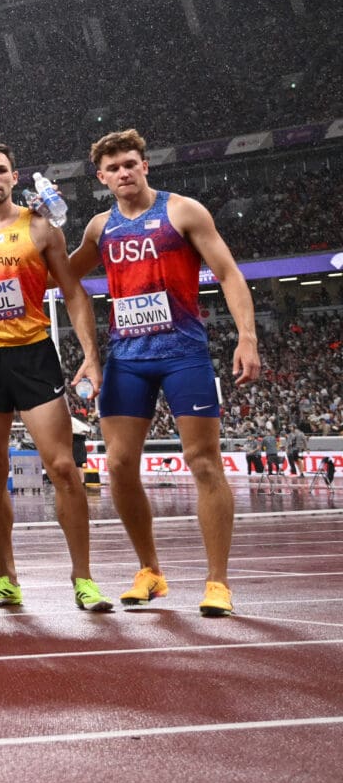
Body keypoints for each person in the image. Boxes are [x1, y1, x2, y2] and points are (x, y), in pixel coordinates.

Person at [69, 129, 258, 617]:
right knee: (117, 466)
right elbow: (60, 275)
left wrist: (247, 336)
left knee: (202, 461)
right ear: (101, 178)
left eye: (130, 163)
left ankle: (217, 582)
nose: (123, 173)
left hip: (183, 353)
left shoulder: (182, 211)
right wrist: (41, 226)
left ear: (145, 165)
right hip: (127, 358)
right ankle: (150, 571)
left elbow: (229, 273)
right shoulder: (99, 228)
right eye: (113, 168)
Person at [0, 142, 112, 612]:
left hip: (33, 354)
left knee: (62, 467)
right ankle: (6, 579)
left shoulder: (40, 227)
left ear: (14, 176)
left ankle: (84, 579)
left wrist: (89, 355)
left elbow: (75, 292)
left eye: (1, 169)